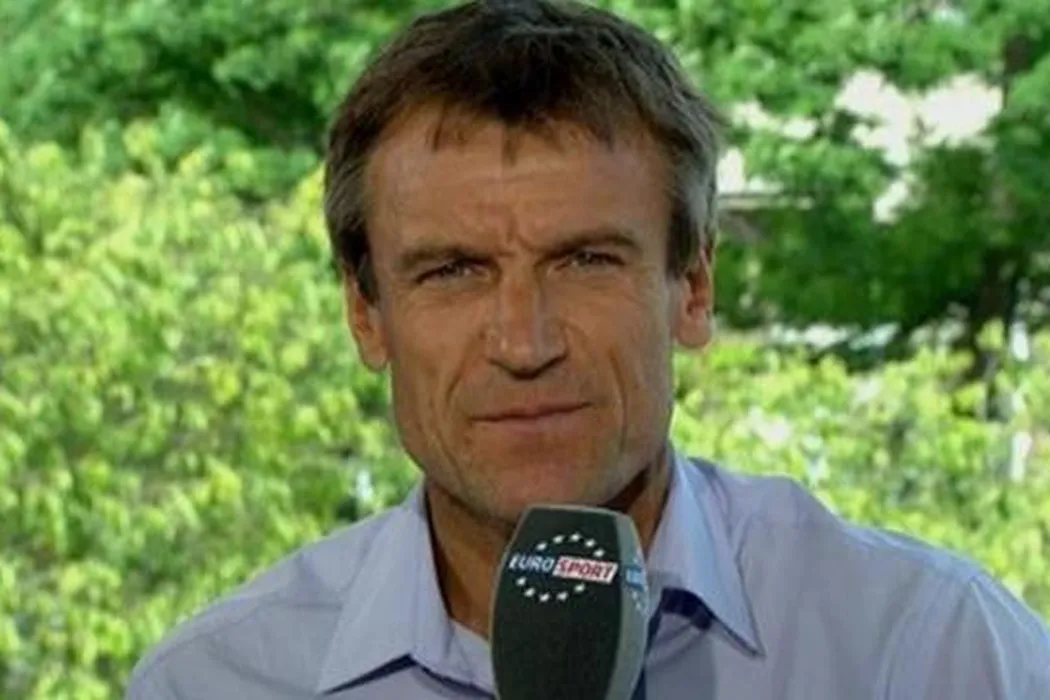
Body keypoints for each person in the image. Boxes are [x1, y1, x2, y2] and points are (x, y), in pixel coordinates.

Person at [125, 1, 1050, 698]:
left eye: (585, 261)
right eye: (453, 272)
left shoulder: (928, 652)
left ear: (693, 288)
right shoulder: (213, 681)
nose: (524, 344)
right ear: (366, 314)